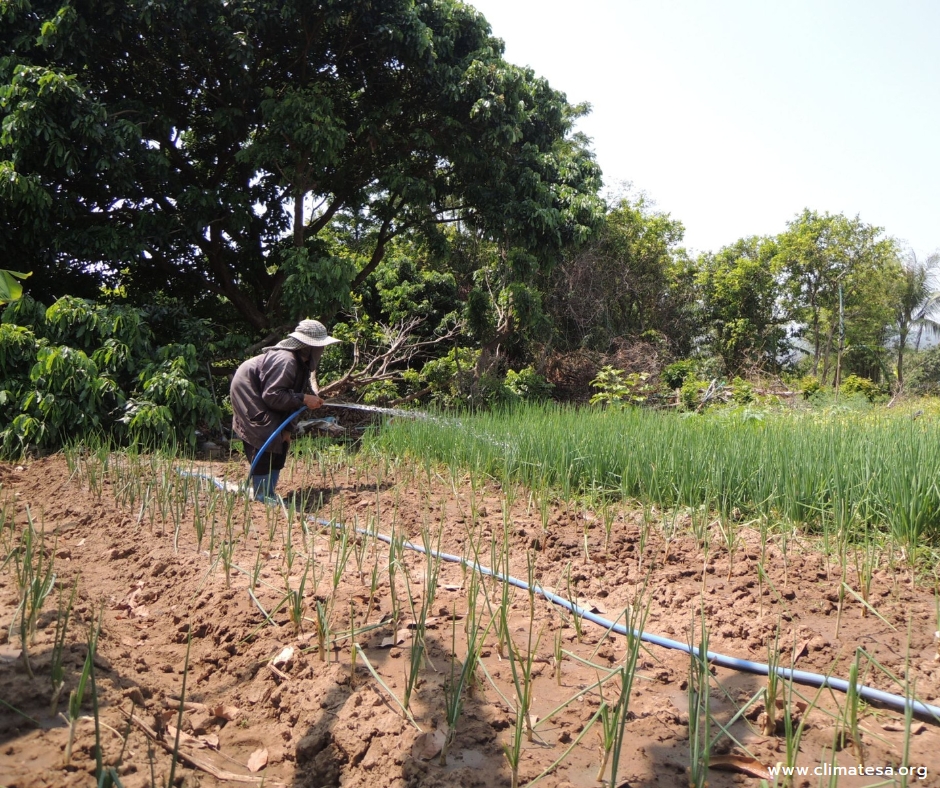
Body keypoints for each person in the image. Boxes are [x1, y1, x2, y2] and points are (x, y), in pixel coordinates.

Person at [230, 319, 340, 501]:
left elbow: (292, 400)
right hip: (249, 390)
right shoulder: (286, 360)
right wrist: (304, 398)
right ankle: (262, 495)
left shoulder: (302, 365)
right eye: (319, 346)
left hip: (267, 394)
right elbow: (273, 395)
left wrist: (288, 429)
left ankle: (269, 492)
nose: (321, 350)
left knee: (282, 441)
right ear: (308, 346)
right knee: (265, 435)